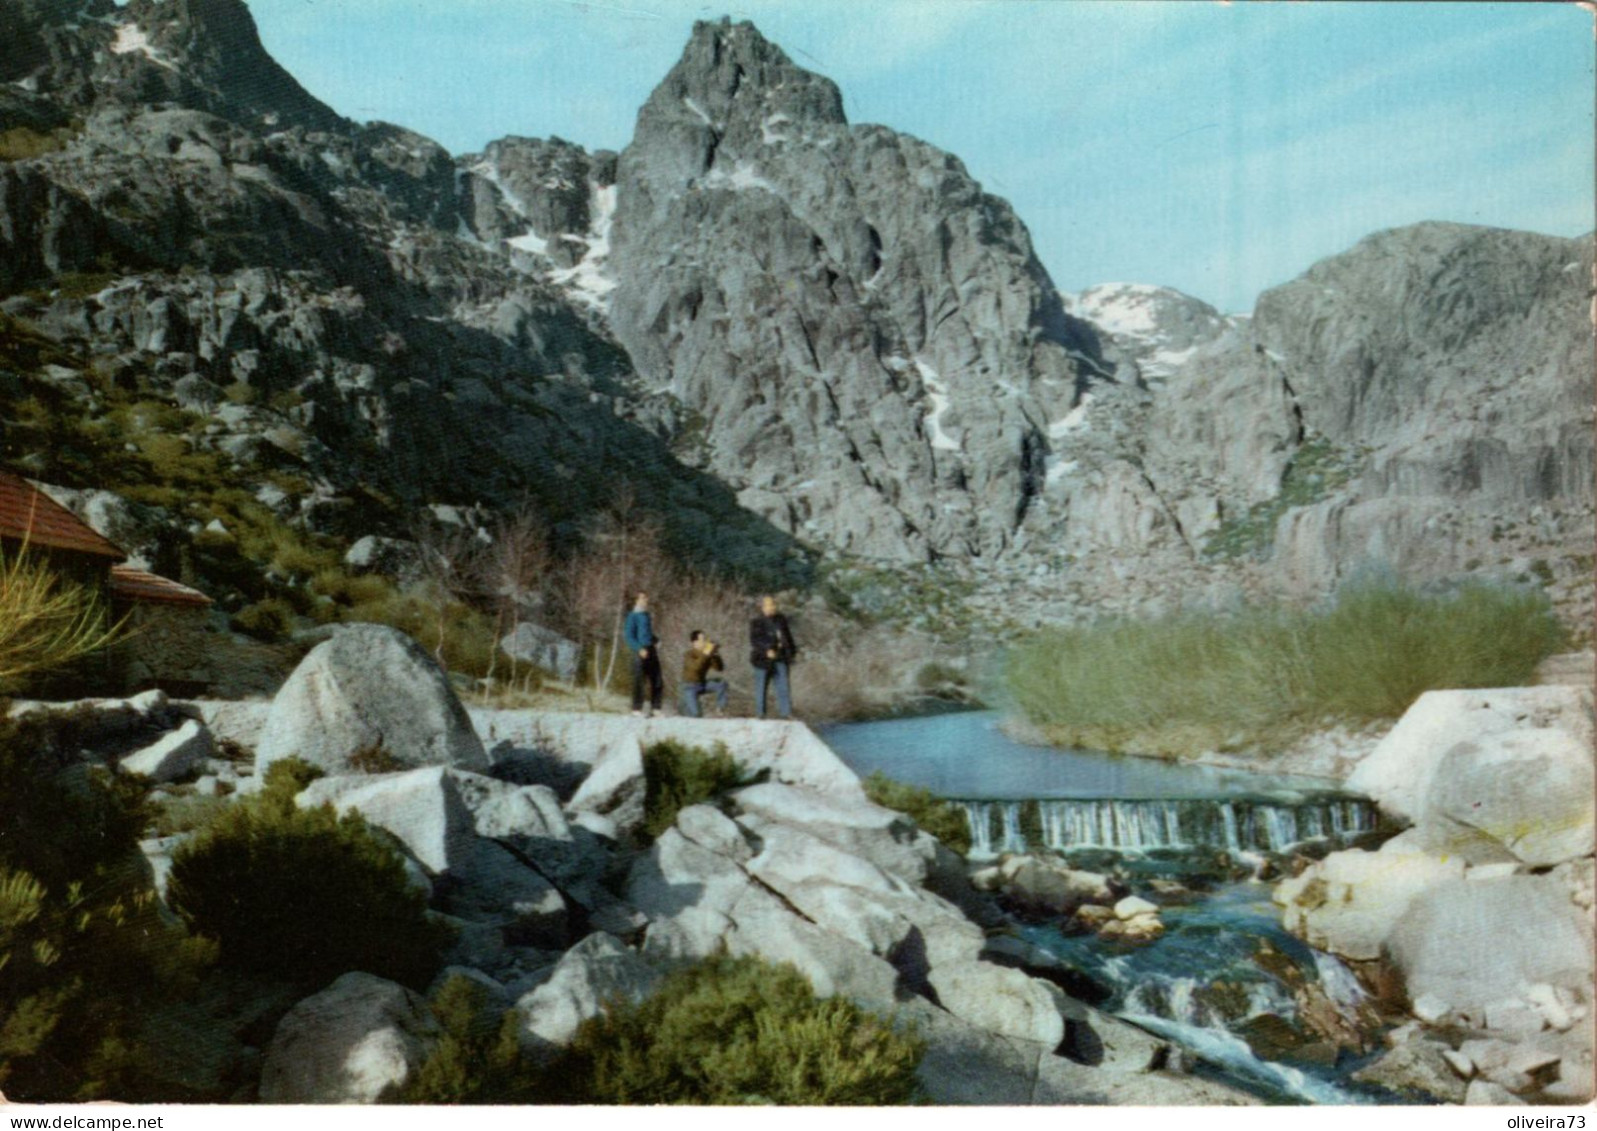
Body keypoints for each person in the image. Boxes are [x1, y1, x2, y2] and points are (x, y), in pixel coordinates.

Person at [748, 594, 797, 719]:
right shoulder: (756, 622)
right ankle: (760, 713)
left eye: (774, 604)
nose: (772, 607)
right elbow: (755, 640)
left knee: (783, 686)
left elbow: (788, 637)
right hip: (762, 660)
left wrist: (792, 652)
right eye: (769, 605)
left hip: (781, 657)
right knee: (761, 687)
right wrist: (767, 649)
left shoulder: (781, 620)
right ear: (762, 607)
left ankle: (786, 713)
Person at [624, 591, 662, 717]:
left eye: (646, 598)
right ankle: (636, 709)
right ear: (637, 601)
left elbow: (646, 633)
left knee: (657, 679)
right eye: (643, 598)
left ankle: (656, 708)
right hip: (640, 651)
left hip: (651, 649)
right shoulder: (632, 616)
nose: (646, 600)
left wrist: (655, 640)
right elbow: (629, 636)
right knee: (639, 680)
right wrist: (639, 648)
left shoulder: (646, 615)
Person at [680, 629, 728, 718]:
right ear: (695, 642)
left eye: (705, 639)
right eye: (702, 640)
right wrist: (706, 654)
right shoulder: (688, 654)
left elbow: (719, 668)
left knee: (722, 684)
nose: (705, 642)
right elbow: (696, 667)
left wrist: (715, 654)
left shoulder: (707, 655)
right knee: (696, 714)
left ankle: (720, 708)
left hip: (702, 684)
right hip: (689, 687)